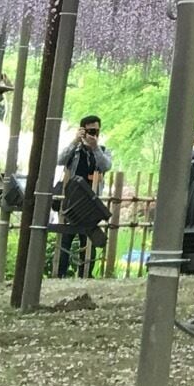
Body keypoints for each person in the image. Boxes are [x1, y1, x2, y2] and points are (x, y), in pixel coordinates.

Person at [56, 114, 111, 275]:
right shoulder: (75, 151)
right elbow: (59, 160)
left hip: (92, 201)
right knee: (66, 238)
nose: (93, 134)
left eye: (96, 131)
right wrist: (75, 141)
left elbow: (106, 166)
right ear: (82, 130)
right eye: (90, 131)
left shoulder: (103, 151)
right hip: (72, 201)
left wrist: (94, 147)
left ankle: (85, 273)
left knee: (88, 239)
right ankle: (60, 273)